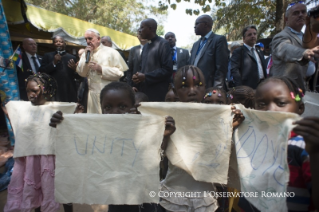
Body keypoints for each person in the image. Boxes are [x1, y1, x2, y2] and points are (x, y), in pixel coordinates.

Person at [49, 82, 175, 212]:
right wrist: (63, 125)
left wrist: (163, 135)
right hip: (115, 198)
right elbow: (79, 150)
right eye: (108, 107)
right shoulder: (98, 131)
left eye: (122, 106)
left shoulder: (142, 129)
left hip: (143, 199)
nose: (115, 112)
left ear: (133, 107)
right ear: (101, 109)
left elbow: (157, 156)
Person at [160, 65, 244, 211]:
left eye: (198, 85)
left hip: (204, 197)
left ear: (204, 88)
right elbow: (156, 158)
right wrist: (164, 136)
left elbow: (220, 157)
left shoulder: (216, 121)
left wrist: (229, 130)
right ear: (176, 91)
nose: (192, 91)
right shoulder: (168, 119)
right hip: (174, 196)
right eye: (184, 86)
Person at [4, 73, 74, 212]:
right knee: (36, 187)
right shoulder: (21, 108)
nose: (30, 94)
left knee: (62, 189)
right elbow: (15, 119)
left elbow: (70, 128)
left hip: (53, 158)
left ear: (45, 90)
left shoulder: (58, 109)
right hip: (31, 158)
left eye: (34, 91)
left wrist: (75, 113)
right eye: (28, 90)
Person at [251, 76, 319, 211]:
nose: (271, 110)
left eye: (281, 103)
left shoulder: (304, 146)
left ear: (300, 108)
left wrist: (316, 154)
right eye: (262, 104)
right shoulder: (252, 143)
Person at [270, 2, 319, 91]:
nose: (300, 15)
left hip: (304, 87)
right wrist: (303, 52)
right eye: (296, 13)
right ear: (286, 19)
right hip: (285, 90)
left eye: (303, 12)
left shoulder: (307, 37)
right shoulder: (281, 36)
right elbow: (284, 48)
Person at [77, 29, 128, 114]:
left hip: (108, 95)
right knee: (94, 122)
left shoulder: (111, 52)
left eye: (90, 38)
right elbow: (82, 73)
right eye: (86, 39)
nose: (88, 41)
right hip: (91, 96)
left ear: (98, 39)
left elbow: (120, 73)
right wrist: (86, 58)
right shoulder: (86, 53)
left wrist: (101, 69)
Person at [133, 18, 173, 101]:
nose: (139, 30)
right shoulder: (146, 46)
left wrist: (145, 76)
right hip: (144, 92)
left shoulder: (163, 44)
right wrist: (137, 77)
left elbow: (167, 70)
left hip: (158, 93)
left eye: (142, 27)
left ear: (150, 28)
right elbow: (142, 68)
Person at [189, 15, 229, 88]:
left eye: (197, 24)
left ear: (205, 24)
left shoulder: (218, 40)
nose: (194, 27)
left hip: (210, 87)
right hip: (195, 87)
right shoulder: (196, 44)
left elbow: (221, 68)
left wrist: (217, 88)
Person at [39, 36, 81, 102]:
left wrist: (75, 69)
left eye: (61, 42)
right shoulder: (48, 56)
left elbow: (79, 77)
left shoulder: (72, 57)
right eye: (56, 42)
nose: (58, 43)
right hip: (54, 90)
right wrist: (53, 63)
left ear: (65, 44)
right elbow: (42, 71)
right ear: (53, 44)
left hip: (69, 90)